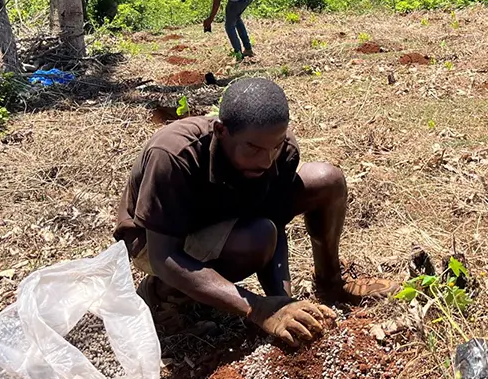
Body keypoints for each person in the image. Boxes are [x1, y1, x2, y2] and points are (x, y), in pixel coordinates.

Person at [114, 77, 397, 348]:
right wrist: (259, 309)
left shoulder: (278, 152)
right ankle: (161, 294)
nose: (266, 160)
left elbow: (273, 222)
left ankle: (331, 283)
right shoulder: (174, 155)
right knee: (256, 239)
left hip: (226, 216)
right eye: (253, 148)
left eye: (275, 146)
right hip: (157, 239)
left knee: (327, 180)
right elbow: (164, 256)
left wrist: (282, 302)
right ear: (221, 132)